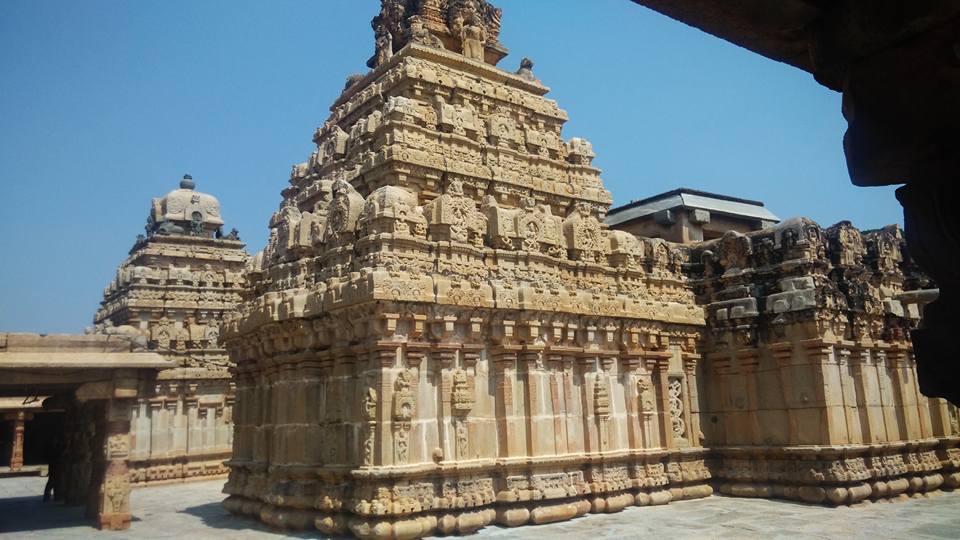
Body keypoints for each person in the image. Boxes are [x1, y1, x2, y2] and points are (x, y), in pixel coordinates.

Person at [43, 436, 62, 502]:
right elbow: (55, 455)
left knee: (57, 482)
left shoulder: (56, 447)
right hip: (53, 466)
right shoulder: (51, 449)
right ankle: (47, 496)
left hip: (56, 466)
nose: (56, 441)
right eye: (55, 440)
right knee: (51, 481)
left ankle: (57, 496)